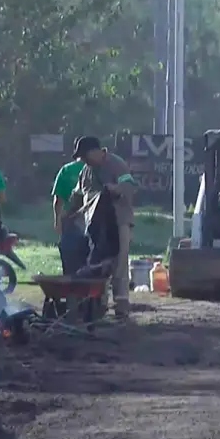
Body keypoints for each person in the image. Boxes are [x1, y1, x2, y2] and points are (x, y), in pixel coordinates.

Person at [72, 136, 136, 318]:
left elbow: (129, 185)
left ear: (95, 151)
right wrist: (68, 214)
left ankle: (121, 307)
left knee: (118, 264)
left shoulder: (117, 164)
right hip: (94, 225)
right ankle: (98, 306)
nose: (83, 160)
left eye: (85, 156)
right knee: (97, 265)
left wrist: (116, 189)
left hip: (118, 221)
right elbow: (78, 194)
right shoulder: (86, 171)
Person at [52, 137, 88, 274]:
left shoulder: (66, 170)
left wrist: (57, 220)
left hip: (70, 219)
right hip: (92, 219)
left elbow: (58, 199)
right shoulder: (96, 169)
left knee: (69, 258)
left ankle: (71, 288)